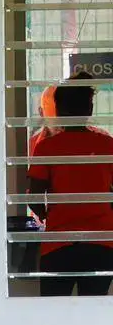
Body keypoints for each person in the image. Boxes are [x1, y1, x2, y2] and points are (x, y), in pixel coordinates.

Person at [28, 77, 113, 296]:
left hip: (59, 245)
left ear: (58, 109)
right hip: (101, 245)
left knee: (54, 315)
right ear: (90, 108)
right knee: (93, 311)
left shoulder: (47, 147)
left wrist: (50, 216)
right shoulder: (107, 145)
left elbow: (34, 197)